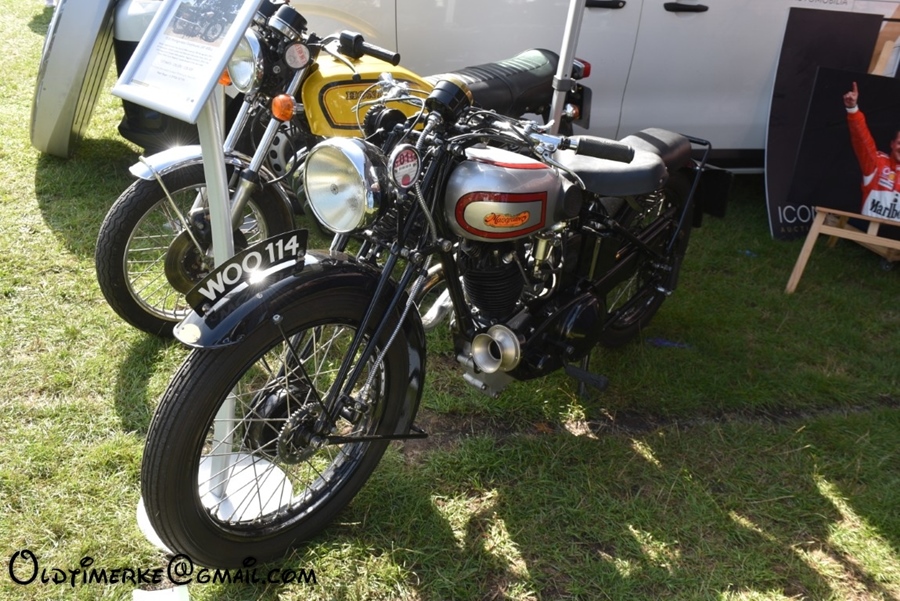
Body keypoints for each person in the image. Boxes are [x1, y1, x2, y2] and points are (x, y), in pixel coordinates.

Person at [843, 81, 900, 221]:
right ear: (892, 144)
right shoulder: (878, 162)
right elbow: (862, 141)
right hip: (868, 228)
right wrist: (853, 110)